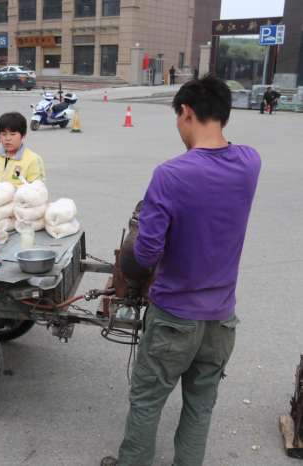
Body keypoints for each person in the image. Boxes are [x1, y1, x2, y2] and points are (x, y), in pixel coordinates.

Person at [101, 76, 261, 466]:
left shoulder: (171, 175)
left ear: (186, 112)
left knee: (147, 401)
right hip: (221, 319)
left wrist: (126, 264)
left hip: (174, 317)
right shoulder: (250, 163)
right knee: (199, 408)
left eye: (178, 118)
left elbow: (147, 253)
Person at [0, 111, 45, 194]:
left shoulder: (33, 159)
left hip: (20, 205)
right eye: (4, 134)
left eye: (13, 134)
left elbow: (36, 190)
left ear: (23, 135)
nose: (8, 138)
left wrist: (9, 191)